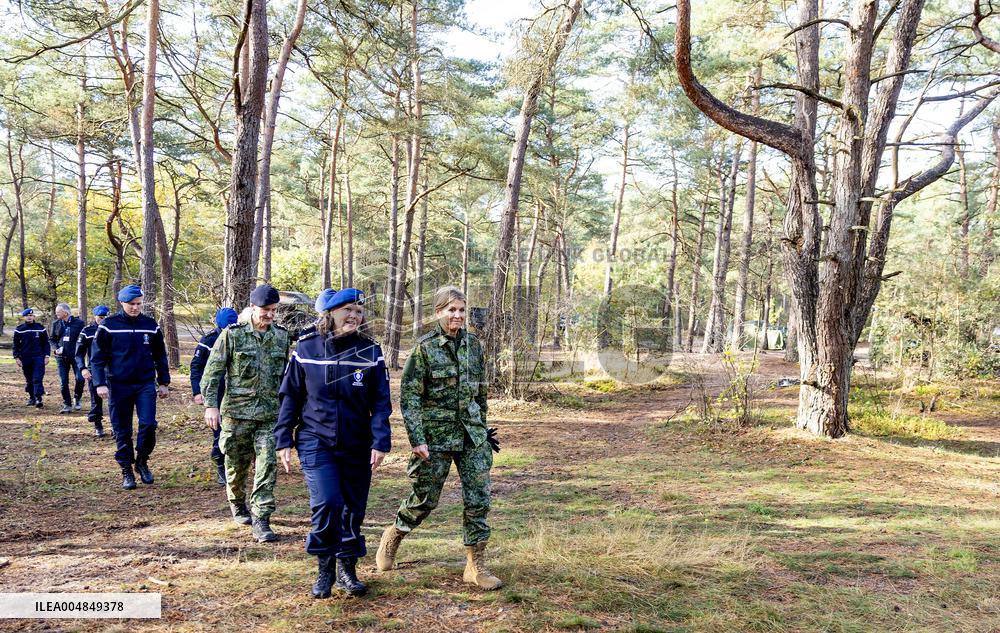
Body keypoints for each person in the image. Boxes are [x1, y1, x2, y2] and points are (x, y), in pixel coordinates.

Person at [376, 286, 502, 590]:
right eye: (451, 310)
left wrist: (482, 428)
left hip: (472, 436)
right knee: (425, 500)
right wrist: (417, 439)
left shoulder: (474, 346)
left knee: (478, 500)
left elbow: (480, 392)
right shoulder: (424, 349)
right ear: (438, 312)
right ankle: (393, 534)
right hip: (435, 438)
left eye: (461, 310)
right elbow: (410, 398)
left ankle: (475, 566)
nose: (457, 315)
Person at [275, 288, 391, 598]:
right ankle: (324, 568)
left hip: (357, 442)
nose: (354, 315)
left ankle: (346, 569)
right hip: (316, 439)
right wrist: (283, 438)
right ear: (331, 313)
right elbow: (291, 396)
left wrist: (380, 440)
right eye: (347, 309)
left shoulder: (370, 351)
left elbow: (381, 402)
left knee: (353, 507)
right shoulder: (306, 348)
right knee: (328, 503)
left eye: (358, 310)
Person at [201, 284, 290, 543]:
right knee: (235, 466)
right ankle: (237, 502)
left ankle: (262, 518)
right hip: (236, 414)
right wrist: (210, 405)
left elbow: (287, 377)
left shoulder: (281, 337)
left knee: (267, 465)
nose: (270, 315)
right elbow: (213, 371)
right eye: (265, 310)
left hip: (269, 415)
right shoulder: (233, 335)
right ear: (252, 308)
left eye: (274, 310)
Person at [91, 285, 171, 490]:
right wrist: (99, 383)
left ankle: (142, 460)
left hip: (144, 383)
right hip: (118, 384)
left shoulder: (150, 325)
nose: (135, 308)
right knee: (122, 429)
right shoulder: (109, 325)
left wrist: (163, 382)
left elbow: (160, 355)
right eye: (131, 304)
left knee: (148, 424)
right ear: (122, 303)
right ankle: (126, 469)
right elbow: (97, 358)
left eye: (138, 304)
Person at [190, 307, 239, 486]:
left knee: (235, 431)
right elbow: (196, 366)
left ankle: (236, 463)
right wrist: (197, 391)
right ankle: (220, 465)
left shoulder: (241, 335)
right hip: (216, 392)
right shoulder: (209, 340)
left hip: (237, 393)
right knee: (219, 430)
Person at [76, 305, 110, 437]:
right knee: (96, 399)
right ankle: (98, 425)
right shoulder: (87, 331)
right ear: (95, 316)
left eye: (105, 317)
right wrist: (83, 368)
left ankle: (116, 426)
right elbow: (78, 353)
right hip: (94, 370)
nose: (103, 320)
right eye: (101, 317)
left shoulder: (112, 329)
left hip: (112, 369)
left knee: (115, 400)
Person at [51, 303, 86, 414]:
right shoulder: (56, 323)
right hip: (61, 357)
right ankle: (67, 404)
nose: (56, 314)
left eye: (58, 312)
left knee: (80, 378)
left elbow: (83, 339)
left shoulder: (79, 323)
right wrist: (56, 348)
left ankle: (77, 397)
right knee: (63, 382)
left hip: (76, 357)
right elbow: (52, 339)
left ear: (65, 313)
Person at [13, 308, 49, 409]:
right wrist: (17, 357)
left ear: (34, 317)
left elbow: (46, 343)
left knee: (37, 378)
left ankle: (38, 398)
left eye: (31, 315)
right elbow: (15, 345)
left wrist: (47, 355)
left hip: (38, 357)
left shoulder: (40, 328)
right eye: (27, 315)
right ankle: (32, 397)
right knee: (29, 379)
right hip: (25, 357)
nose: (29, 317)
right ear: (24, 317)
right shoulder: (19, 329)